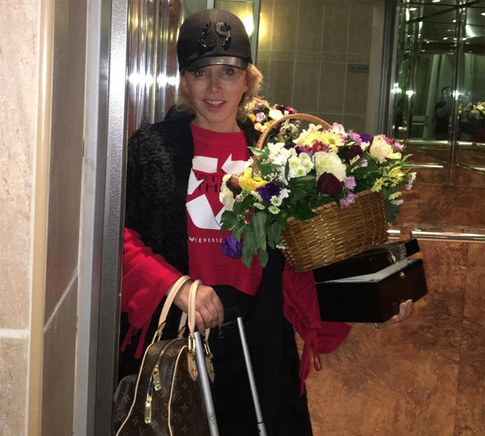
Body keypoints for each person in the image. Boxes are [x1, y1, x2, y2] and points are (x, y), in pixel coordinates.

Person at [118, 9, 413, 436]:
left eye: (228, 71)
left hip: (259, 342)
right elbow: (115, 239)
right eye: (201, 73)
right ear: (184, 81)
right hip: (175, 342)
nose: (215, 87)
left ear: (248, 80)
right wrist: (175, 286)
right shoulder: (152, 150)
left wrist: (374, 297)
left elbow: (304, 261)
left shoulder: (277, 156)